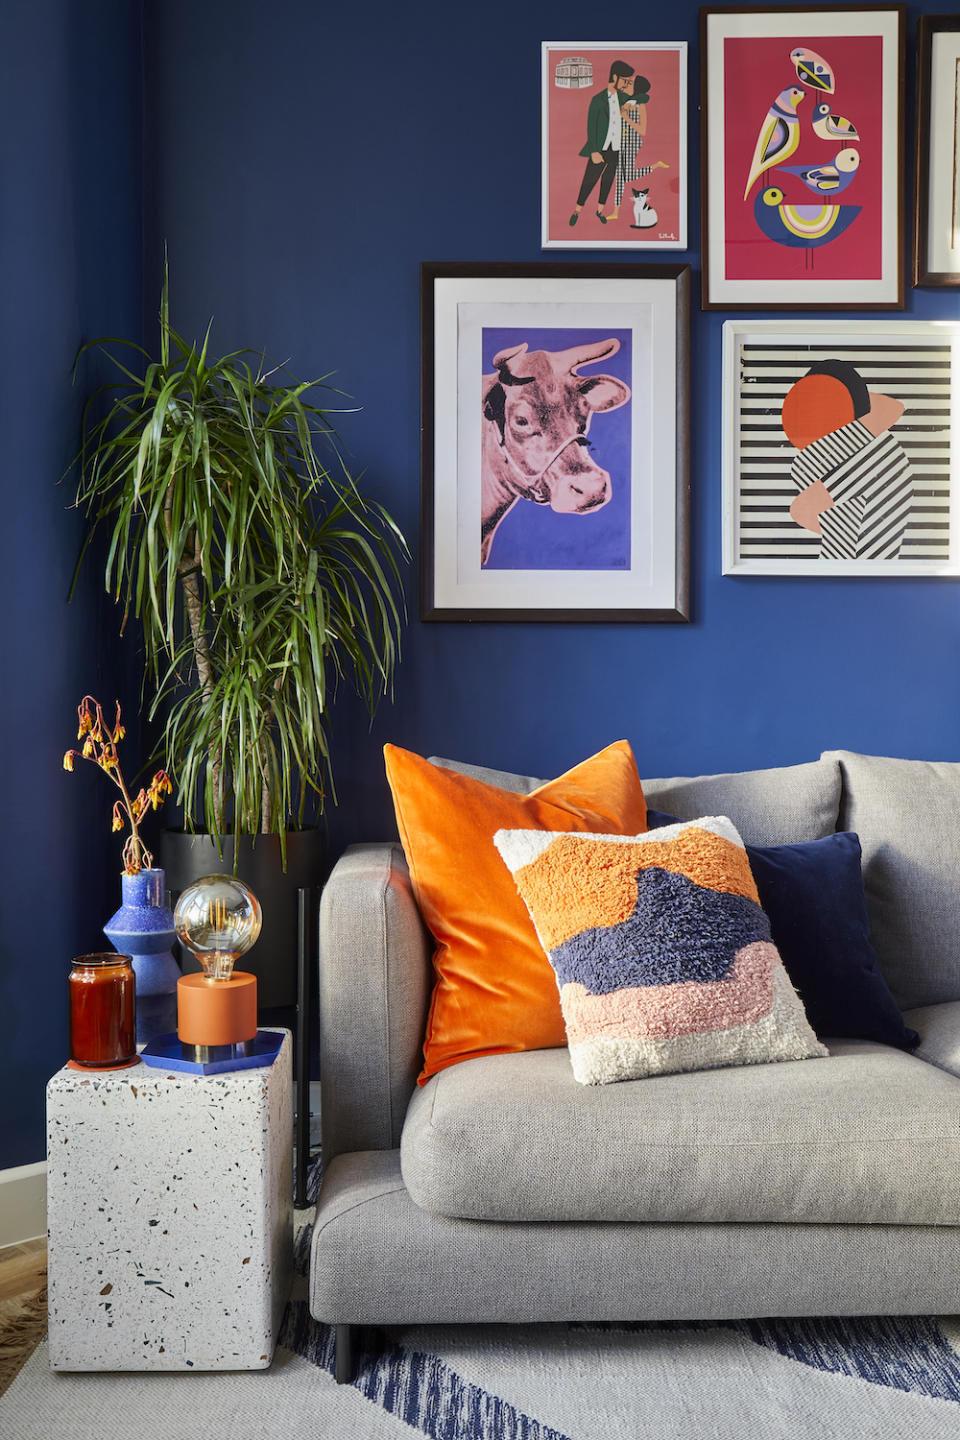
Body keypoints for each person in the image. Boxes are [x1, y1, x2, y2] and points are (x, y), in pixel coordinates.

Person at [569, 61, 635, 228]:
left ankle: (599, 211)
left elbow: (642, 96)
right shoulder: (597, 100)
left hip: (616, 149)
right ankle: (577, 210)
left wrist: (631, 101)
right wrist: (594, 151)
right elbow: (591, 128)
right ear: (614, 77)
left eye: (628, 81)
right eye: (625, 80)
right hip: (600, 148)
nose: (627, 84)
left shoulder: (624, 98)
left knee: (607, 181)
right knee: (589, 181)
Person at [607, 74, 649, 222]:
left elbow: (642, 130)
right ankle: (615, 211)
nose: (627, 84)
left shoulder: (640, 105)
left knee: (625, 176)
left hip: (631, 142)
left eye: (631, 83)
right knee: (620, 177)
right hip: (621, 141)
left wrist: (626, 118)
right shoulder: (627, 101)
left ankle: (654, 167)